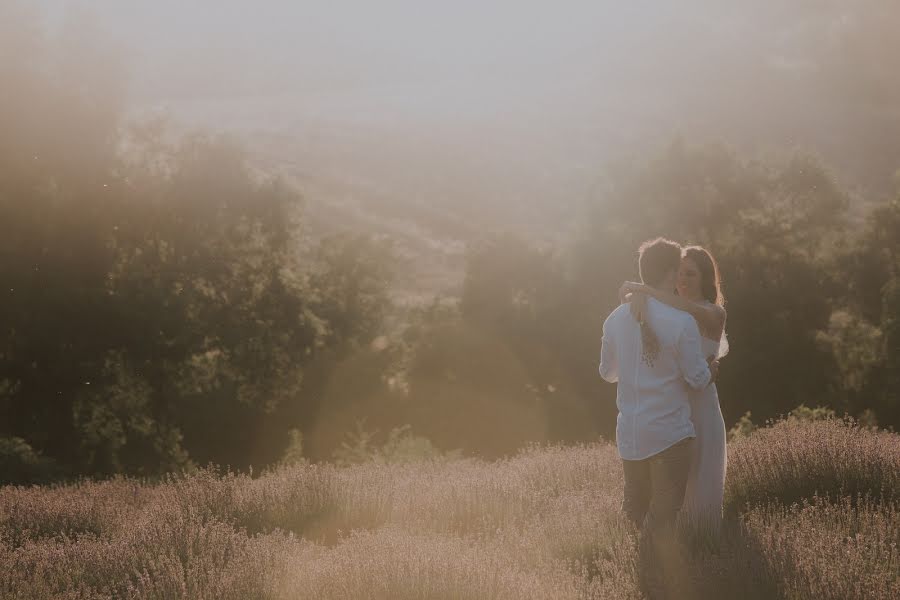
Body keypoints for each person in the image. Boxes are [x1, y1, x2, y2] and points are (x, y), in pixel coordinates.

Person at [599, 238, 719, 534]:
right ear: (669, 271)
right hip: (670, 434)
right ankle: (654, 569)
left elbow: (607, 373)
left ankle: (633, 570)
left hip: (630, 433)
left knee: (634, 511)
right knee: (663, 518)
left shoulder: (613, 319)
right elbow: (698, 379)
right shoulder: (681, 321)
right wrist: (713, 368)